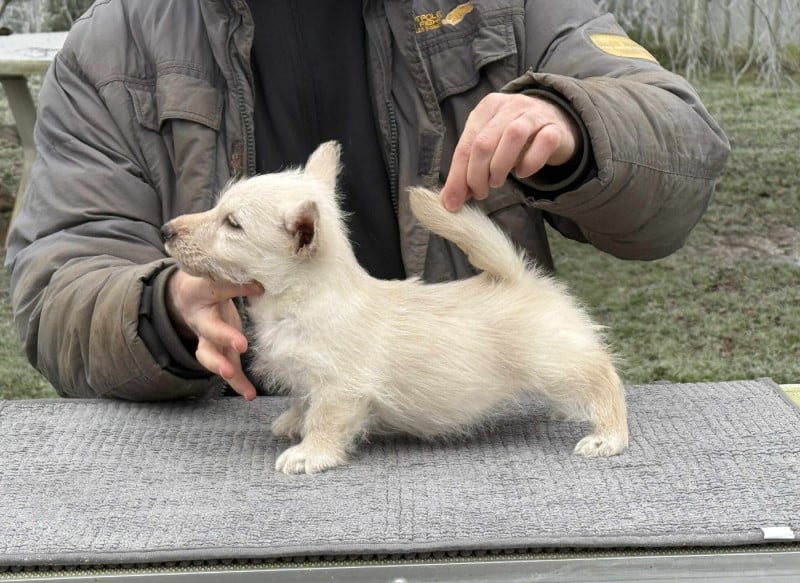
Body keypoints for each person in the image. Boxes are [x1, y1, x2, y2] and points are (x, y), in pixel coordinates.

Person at [5, 1, 729, 403]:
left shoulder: (503, 9)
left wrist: (575, 122)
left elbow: (684, 145)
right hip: (223, 472)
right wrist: (164, 310)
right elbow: (54, 290)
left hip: (466, 445)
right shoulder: (113, 46)